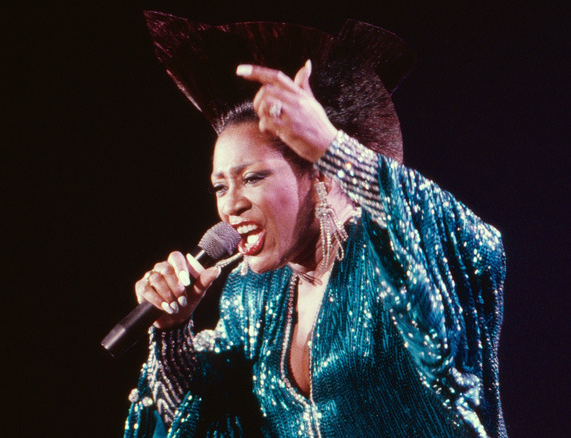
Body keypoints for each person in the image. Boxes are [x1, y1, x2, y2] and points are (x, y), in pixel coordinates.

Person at [124, 12, 506, 438]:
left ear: (322, 175)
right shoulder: (251, 294)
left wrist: (332, 147)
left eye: (253, 177)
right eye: (219, 186)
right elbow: (211, 424)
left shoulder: (388, 255)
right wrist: (174, 330)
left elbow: (470, 250)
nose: (230, 205)